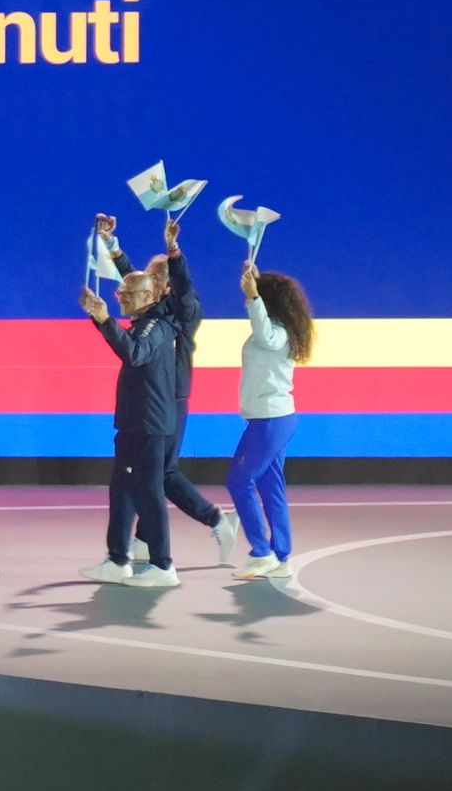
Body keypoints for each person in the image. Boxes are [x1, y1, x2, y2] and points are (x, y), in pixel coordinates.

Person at [85, 214, 213, 585]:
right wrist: (112, 245)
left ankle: (168, 554)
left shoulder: (179, 312)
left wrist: (174, 249)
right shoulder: (150, 307)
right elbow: (135, 283)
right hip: (142, 404)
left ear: (164, 287)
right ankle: (120, 556)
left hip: (167, 400)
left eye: (157, 276)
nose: (146, 279)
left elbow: (140, 338)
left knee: (156, 481)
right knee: (128, 483)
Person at [229, 262, 313, 589]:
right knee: (269, 486)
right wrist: (255, 283)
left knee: (239, 480)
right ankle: (281, 557)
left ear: (268, 302)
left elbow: (263, 332)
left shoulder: (276, 334)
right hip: (273, 419)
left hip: (270, 420)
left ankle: (261, 552)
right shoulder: (279, 331)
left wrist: (252, 297)